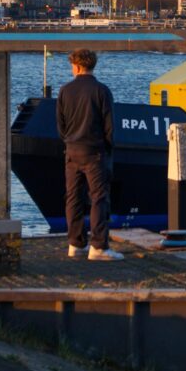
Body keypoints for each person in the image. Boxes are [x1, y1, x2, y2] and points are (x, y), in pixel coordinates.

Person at [56, 49, 122, 261]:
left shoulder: (65, 91)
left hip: (71, 151)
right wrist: (108, 148)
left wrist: (69, 141)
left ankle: (75, 244)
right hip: (95, 153)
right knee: (99, 198)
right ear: (92, 65)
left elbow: (61, 125)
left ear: (76, 66)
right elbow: (109, 126)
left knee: (73, 198)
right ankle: (99, 246)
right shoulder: (102, 91)